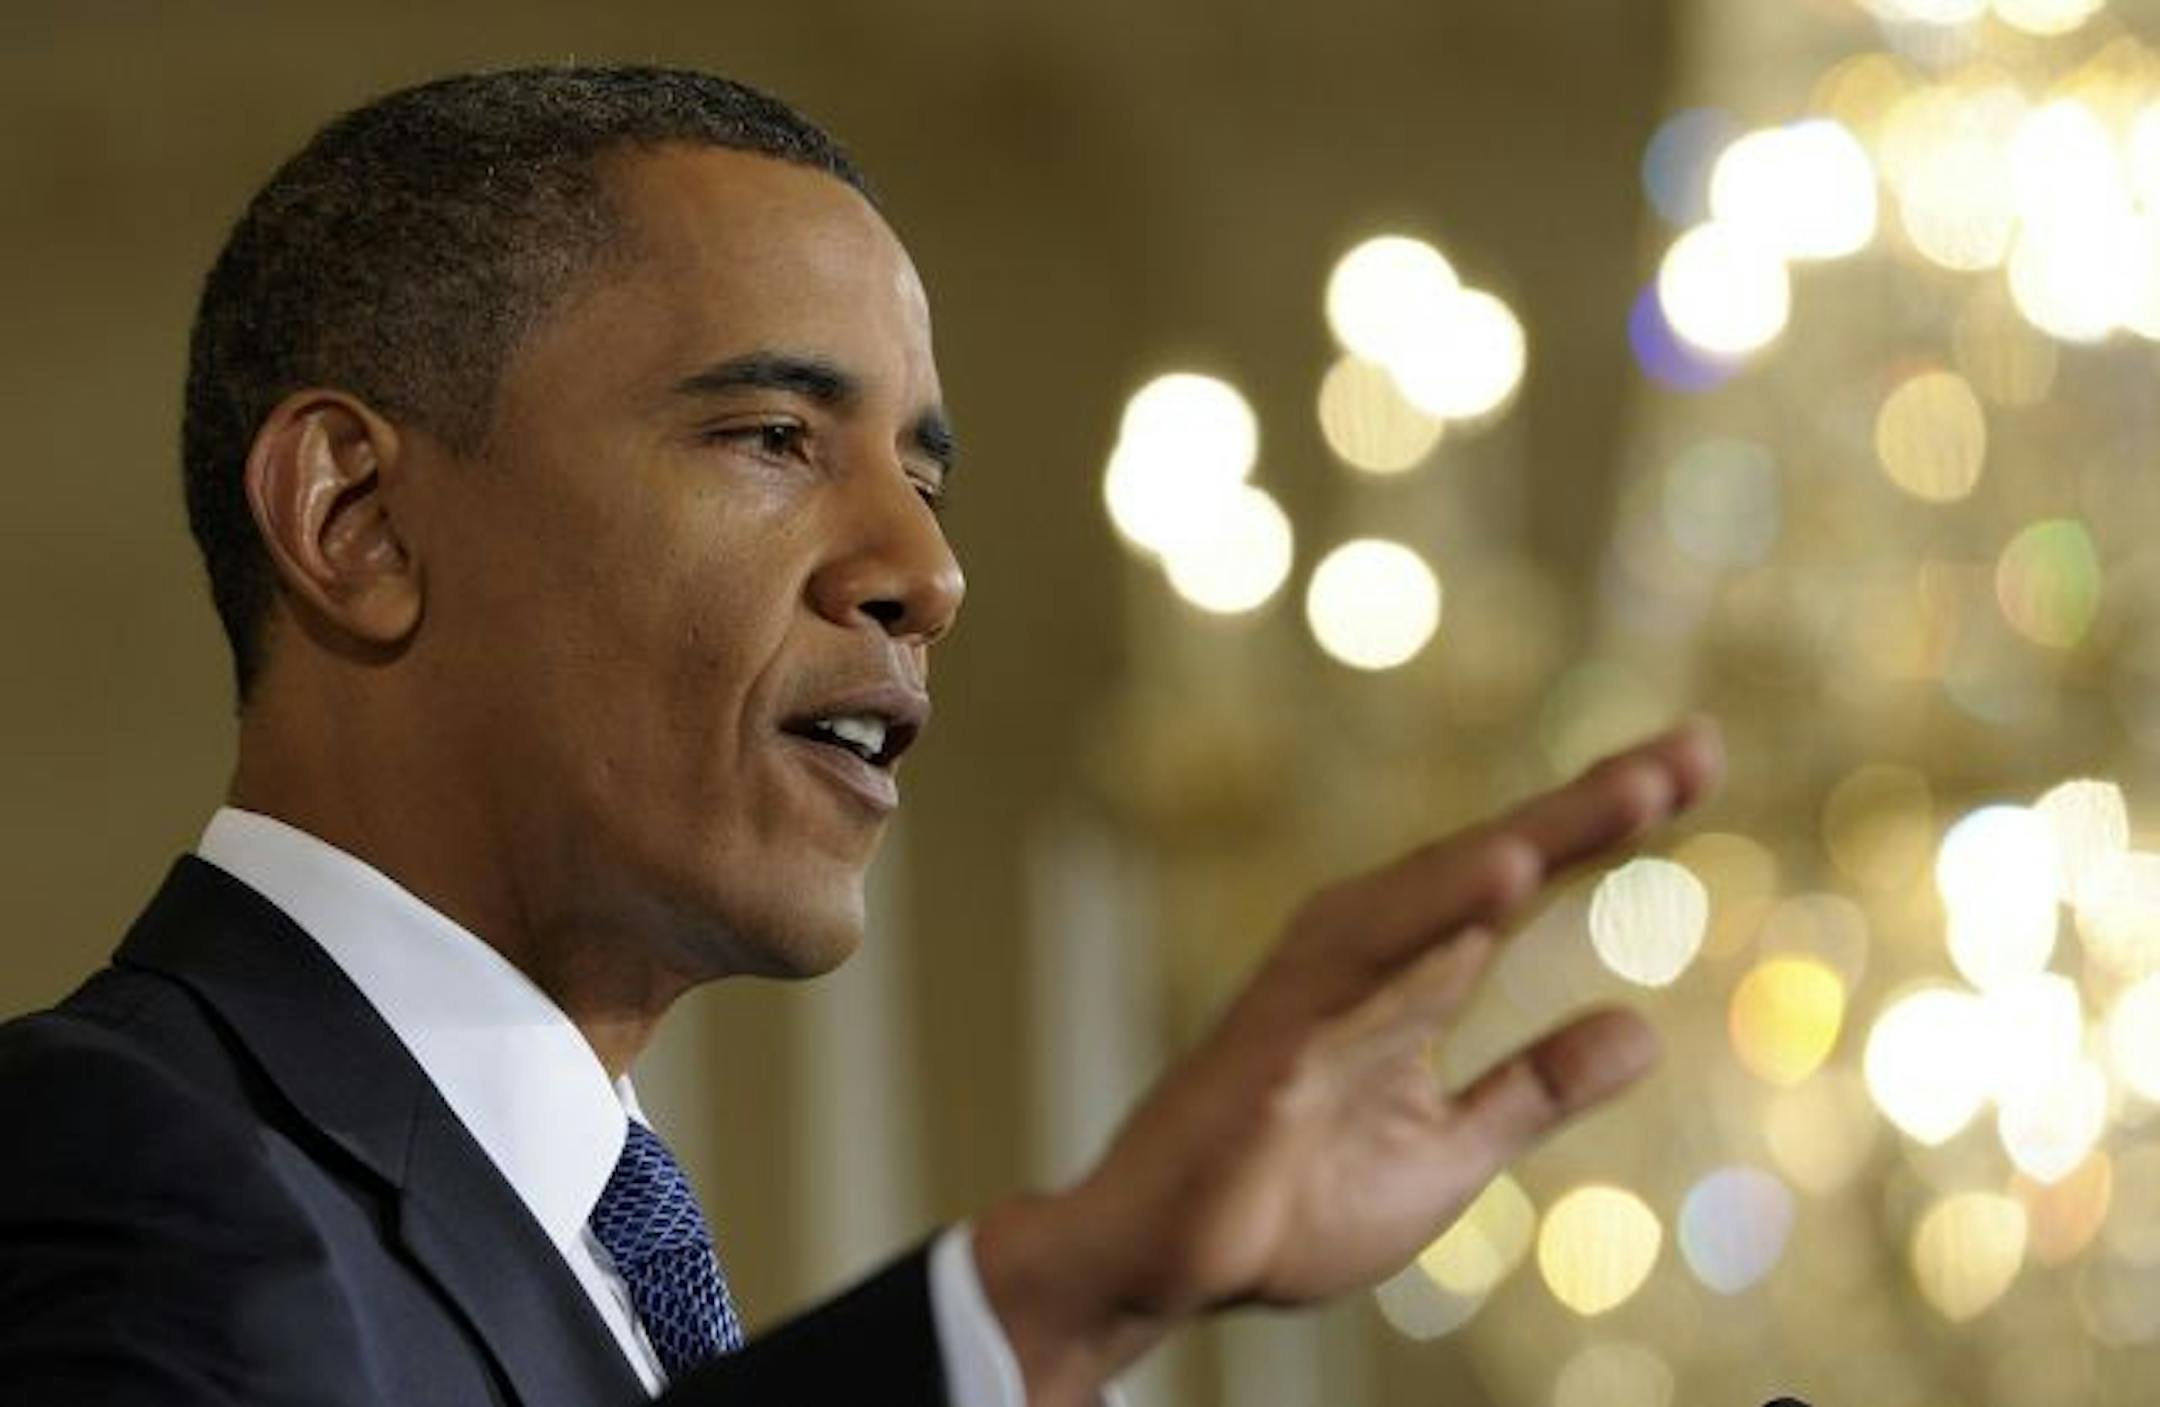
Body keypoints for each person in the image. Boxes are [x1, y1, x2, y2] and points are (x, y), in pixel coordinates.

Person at [0, 65, 1723, 1406]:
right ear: (356, 519)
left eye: (923, 471)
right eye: (770, 435)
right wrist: (1044, 1306)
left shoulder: (590, 1248)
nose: (928, 572)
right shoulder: (92, 1161)